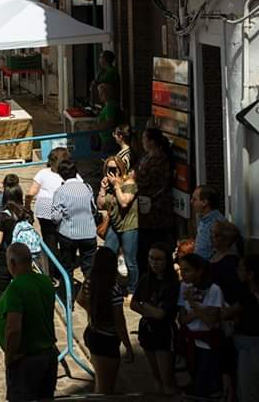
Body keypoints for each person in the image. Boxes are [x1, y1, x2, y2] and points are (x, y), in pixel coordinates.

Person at [0, 243, 58, 402]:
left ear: (12, 263)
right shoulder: (45, 281)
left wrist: (9, 357)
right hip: (48, 355)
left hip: (26, 360)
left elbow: (13, 328)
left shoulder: (16, 288)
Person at [78, 246, 133, 394]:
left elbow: (79, 299)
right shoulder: (113, 289)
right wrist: (128, 346)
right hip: (107, 340)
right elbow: (119, 322)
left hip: (93, 333)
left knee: (101, 383)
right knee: (105, 389)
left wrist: (92, 311)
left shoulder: (89, 282)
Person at [130, 242, 180, 395]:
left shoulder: (172, 284)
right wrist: (149, 309)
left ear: (166, 261)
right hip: (147, 330)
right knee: (156, 376)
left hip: (164, 333)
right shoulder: (145, 279)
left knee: (167, 379)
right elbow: (133, 304)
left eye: (158, 259)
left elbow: (161, 314)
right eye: (151, 258)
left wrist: (144, 306)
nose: (154, 263)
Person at [177, 252, 224, 397]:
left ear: (199, 271)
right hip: (190, 340)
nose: (182, 274)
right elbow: (182, 318)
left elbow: (210, 322)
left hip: (207, 343)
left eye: (187, 270)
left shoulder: (214, 289)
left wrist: (193, 304)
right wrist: (202, 311)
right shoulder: (184, 287)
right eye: (181, 270)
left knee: (204, 385)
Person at [50, 157, 98, 294]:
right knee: (89, 268)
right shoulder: (87, 188)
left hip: (68, 235)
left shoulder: (60, 191)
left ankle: (68, 299)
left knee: (67, 268)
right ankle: (92, 295)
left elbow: (55, 216)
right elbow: (93, 209)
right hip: (89, 233)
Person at [136, 128, 175, 275]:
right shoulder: (148, 156)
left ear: (151, 141)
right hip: (148, 209)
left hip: (155, 210)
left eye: (144, 139)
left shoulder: (158, 158)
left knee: (151, 242)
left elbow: (144, 179)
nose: (142, 142)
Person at [98, 157, 138, 293]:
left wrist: (116, 186)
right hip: (114, 226)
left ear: (121, 168)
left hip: (129, 226)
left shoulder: (129, 183)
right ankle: (110, 285)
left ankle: (132, 289)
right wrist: (103, 190)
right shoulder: (108, 184)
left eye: (115, 168)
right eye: (109, 169)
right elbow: (101, 205)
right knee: (107, 256)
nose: (112, 172)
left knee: (130, 260)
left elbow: (124, 202)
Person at [26, 147, 69, 277]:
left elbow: (30, 193)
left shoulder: (43, 173)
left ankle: (52, 271)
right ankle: (62, 270)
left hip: (44, 213)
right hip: (63, 212)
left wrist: (27, 208)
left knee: (50, 242)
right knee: (63, 240)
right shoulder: (69, 173)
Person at [0, 184, 32, 311]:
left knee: (0, 293)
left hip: (5, 259)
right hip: (23, 257)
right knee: (22, 290)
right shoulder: (26, 214)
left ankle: (2, 321)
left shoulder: (3, 216)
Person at [226, 254, 259, 402]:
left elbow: (227, 313)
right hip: (245, 342)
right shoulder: (245, 292)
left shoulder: (248, 296)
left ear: (250, 274)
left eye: (240, 268)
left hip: (251, 344)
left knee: (248, 389)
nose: (237, 271)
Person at [192, 185, 226, 260]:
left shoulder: (218, 223)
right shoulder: (203, 220)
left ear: (204, 202)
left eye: (194, 199)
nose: (191, 202)